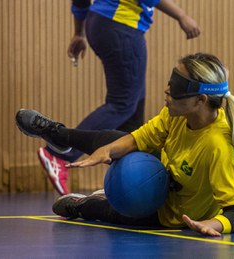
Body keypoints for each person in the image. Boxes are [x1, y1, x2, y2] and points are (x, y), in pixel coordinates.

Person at [16, 52, 234, 236]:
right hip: (161, 169)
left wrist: (210, 224)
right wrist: (106, 151)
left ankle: (82, 205)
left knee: (117, 214)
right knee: (115, 139)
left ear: (200, 100)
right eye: (171, 81)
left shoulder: (219, 147)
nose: (167, 90)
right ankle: (58, 135)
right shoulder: (176, 114)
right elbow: (138, 139)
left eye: (177, 87)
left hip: (170, 214)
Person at [35, 0, 201, 195]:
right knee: (122, 104)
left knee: (133, 112)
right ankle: (60, 153)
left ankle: (124, 184)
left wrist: (79, 31)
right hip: (122, 27)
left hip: (101, 23)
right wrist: (181, 15)